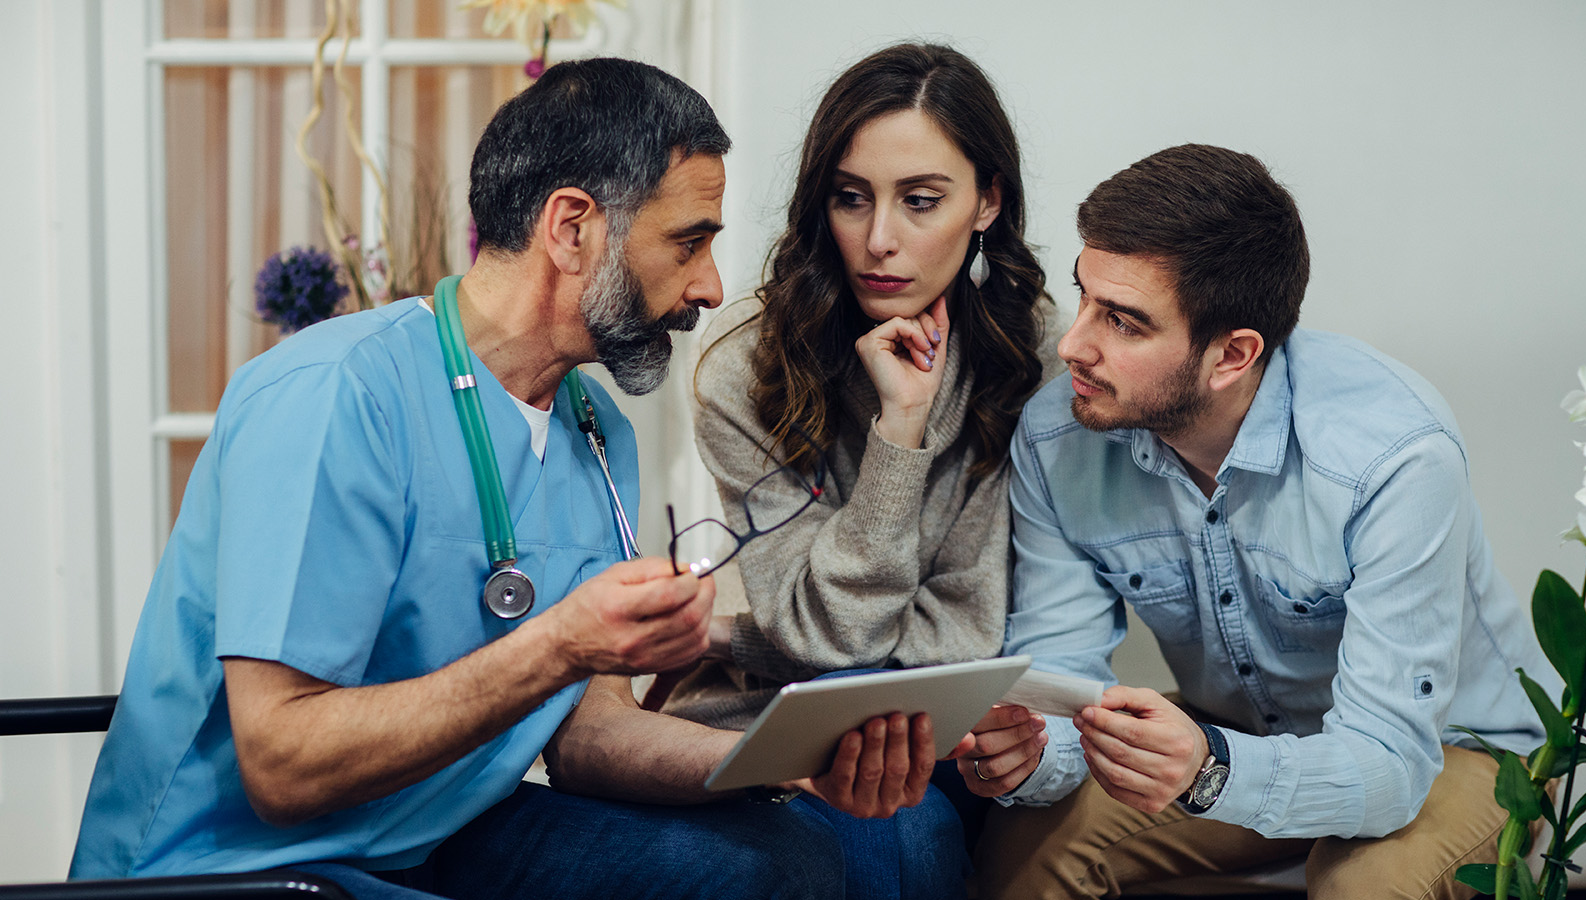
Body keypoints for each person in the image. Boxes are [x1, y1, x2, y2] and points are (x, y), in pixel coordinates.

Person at [68, 58, 957, 900]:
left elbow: (589, 736)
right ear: (572, 229)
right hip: (245, 863)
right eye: (688, 243)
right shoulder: (336, 395)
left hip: (437, 831)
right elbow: (281, 767)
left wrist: (784, 765)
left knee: (779, 861)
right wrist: (560, 645)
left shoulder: (594, 429)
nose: (711, 287)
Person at [959, 144, 1553, 900]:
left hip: (1449, 751)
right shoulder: (1058, 435)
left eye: (1124, 322)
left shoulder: (1393, 456)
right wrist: (1032, 754)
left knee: (1365, 886)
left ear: (1232, 355)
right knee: (1027, 849)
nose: (1073, 344)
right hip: (1240, 732)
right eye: (1085, 296)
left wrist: (1210, 767)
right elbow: (1062, 670)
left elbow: (1389, 763)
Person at [664, 42, 1055, 888]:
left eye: (921, 201)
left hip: (955, 728)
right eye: (851, 198)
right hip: (772, 719)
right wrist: (900, 432)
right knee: (900, 833)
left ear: (987, 201)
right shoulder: (745, 367)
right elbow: (836, 644)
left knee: (926, 821)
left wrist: (734, 635)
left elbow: (964, 637)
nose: (879, 241)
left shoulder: (1038, 359)